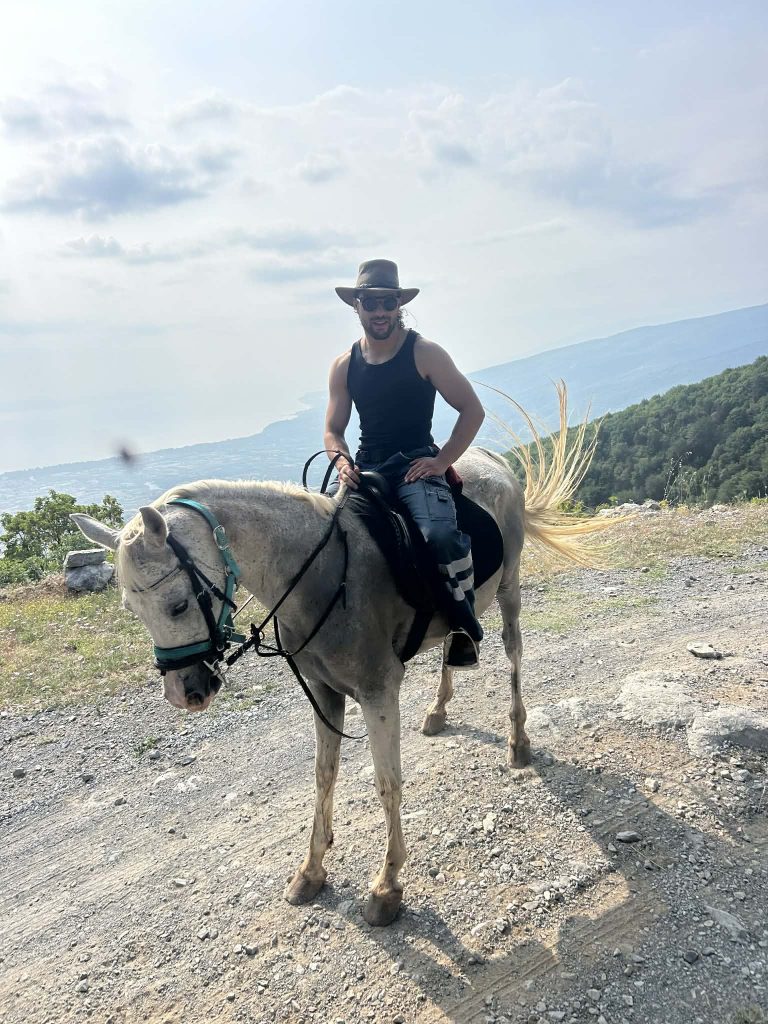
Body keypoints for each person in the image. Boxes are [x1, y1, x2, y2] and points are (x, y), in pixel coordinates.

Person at [324, 258, 485, 667]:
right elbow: (333, 430)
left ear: (399, 304)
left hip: (415, 464)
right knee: (323, 534)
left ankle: (463, 623)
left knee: (439, 536)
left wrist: (441, 460)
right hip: (366, 468)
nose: (380, 311)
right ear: (357, 306)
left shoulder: (424, 353)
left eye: (388, 302)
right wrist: (341, 462)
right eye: (371, 303)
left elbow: (471, 409)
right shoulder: (344, 365)